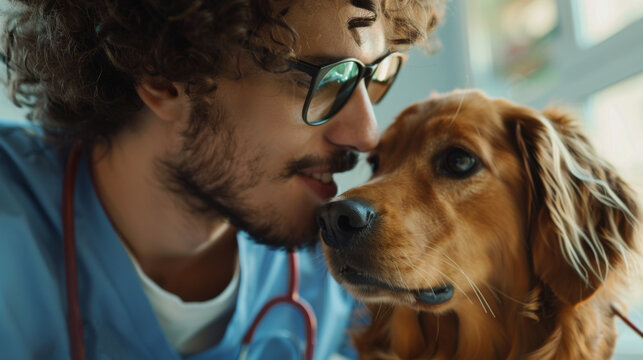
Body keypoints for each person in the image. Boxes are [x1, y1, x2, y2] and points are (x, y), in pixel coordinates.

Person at [0, 0, 443, 358]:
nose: (367, 135)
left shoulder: (345, 274)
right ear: (166, 79)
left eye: (372, 76)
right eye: (329, 80)